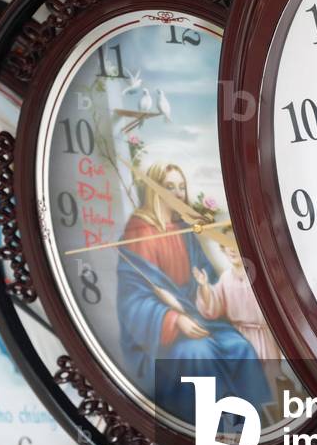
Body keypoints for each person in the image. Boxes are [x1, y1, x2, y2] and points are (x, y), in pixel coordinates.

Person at [114, 162, 270, 424]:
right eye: (170, 187)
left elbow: (204, 273)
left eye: (182, 187)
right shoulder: (137, 231)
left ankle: (254, 421)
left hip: (196, 316)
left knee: (239, 345)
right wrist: (175, 321)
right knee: (200, 352)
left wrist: (205, 288)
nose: (178, 194)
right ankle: (218, 427)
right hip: (159, 334)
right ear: (154, 191)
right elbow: (132, 301)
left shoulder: (182, 230)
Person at [194, 226, 284, 399]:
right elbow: (213, 308)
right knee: (247, 383)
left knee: (271, 380)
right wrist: (205, 285)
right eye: (227, 245)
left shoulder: (260, 272)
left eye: (235, 244)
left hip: (265, 335)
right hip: (242, 337)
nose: (232, 249)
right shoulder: (226, 277)